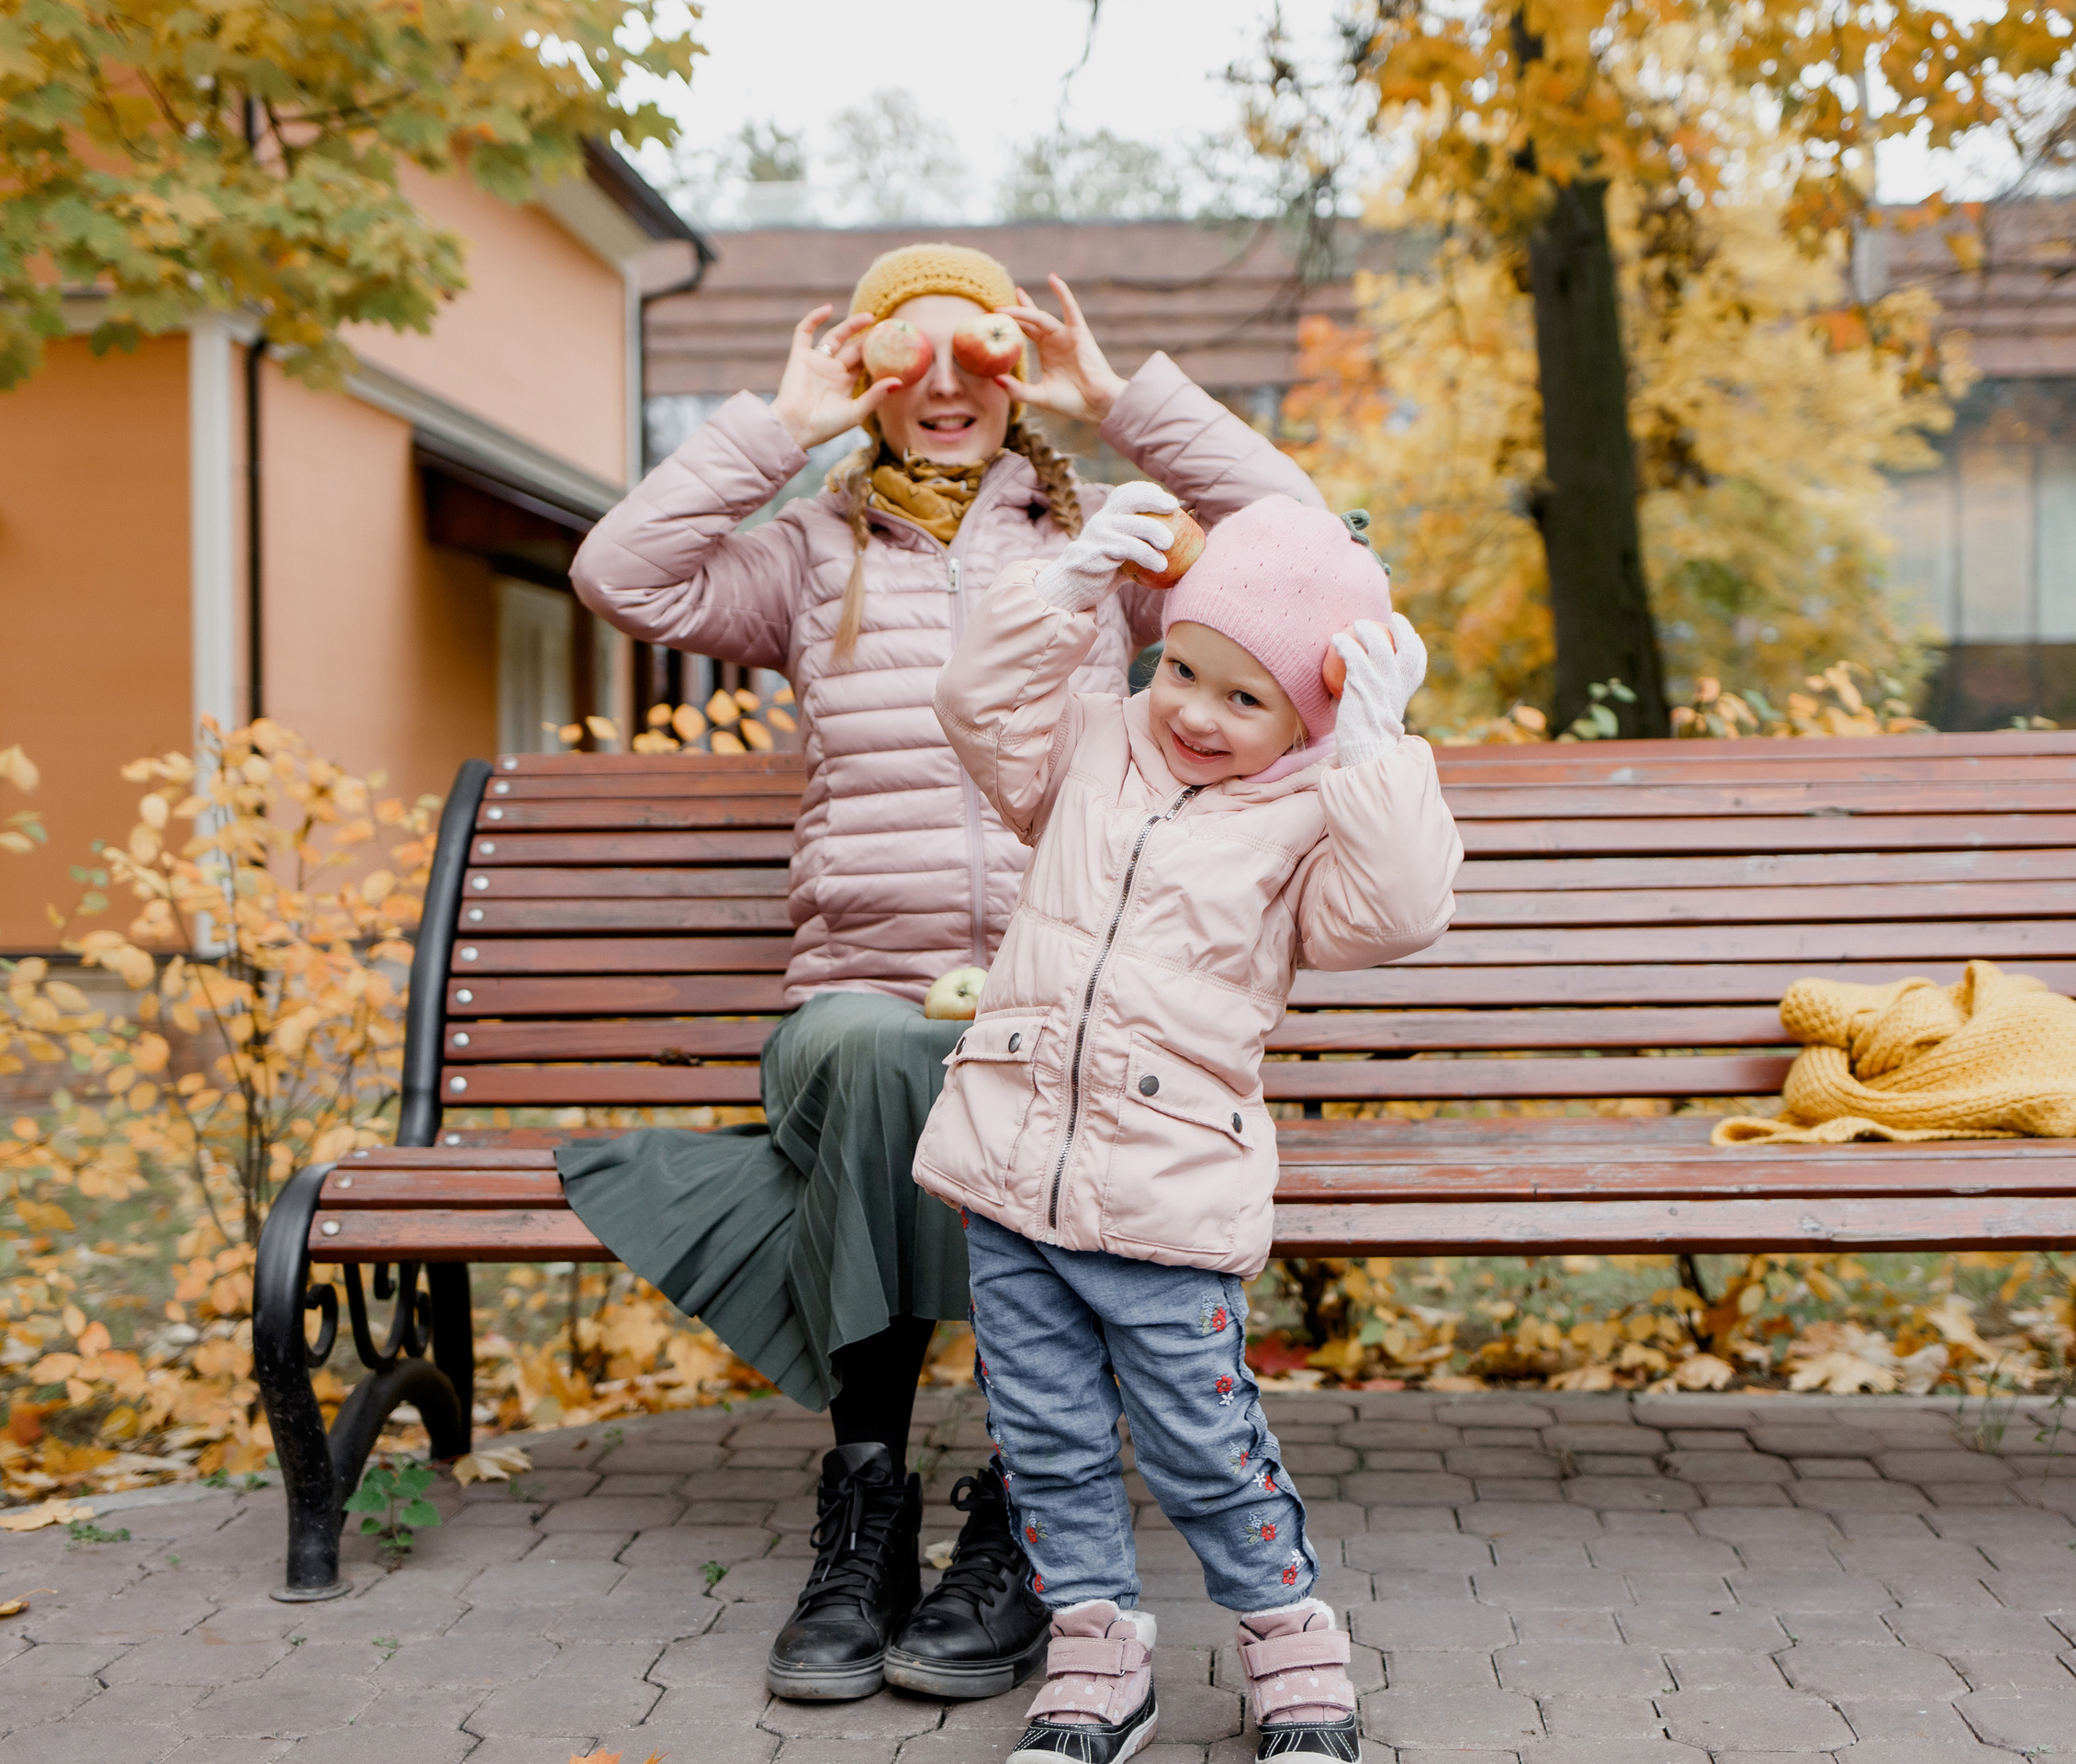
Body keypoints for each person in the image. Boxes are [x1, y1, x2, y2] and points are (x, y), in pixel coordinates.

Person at [560, 243, 1323, 1705]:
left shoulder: (1107, 540)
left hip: (1069, 1009)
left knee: (1011, 1077)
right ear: (870, 382)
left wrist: (1115, 399)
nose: (952, 390)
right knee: (885, 1055)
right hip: (855, 995)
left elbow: (1291, 536)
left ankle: (1018, 1518)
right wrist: (779, 428)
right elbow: (619, 574)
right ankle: (870, 1507)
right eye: (914, 367)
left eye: (980, 362)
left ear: (1013, 370)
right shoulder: (807, 553)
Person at [915, 489, 1464, 1764]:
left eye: (1244, 698)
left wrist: (1377, 753)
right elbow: (977, 712)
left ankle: (1296, 1662)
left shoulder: (1312, 814)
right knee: (1044, 1442)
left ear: (1310, 715)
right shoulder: (1092, 750)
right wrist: (1060, 596)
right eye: (1183, 669)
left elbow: (1395, 914)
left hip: (1166, 1192)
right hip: (1010, 1177)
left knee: (1202, 1439)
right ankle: (1098, 1668)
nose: (1194, 712)